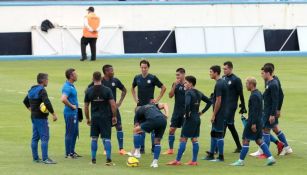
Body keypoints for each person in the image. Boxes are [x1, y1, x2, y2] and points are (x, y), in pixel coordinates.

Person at [230, 77, 276, 166]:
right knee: (259, 140)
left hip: (253, 121)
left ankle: (240, 161)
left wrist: (253, 123)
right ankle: (270, 158)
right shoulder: (258, 93)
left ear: (251, 84)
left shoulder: (254, 95)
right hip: (259, 120)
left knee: (245, 139)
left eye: (247, 84)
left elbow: (255, 110)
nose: (246, 85)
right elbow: (258, 109)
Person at [167, 75, 212, 166]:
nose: (184, 84)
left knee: (183, 138)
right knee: (194, 139)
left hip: (190, 119)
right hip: (197, 118)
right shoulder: (199, 92)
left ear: (190, 84)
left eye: (186, 82)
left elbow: (187, 104)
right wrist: (202, 112)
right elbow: (209, 101)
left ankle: (177, 160)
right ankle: (194, 161)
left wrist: (187, 115)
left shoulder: (188, 92)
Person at [250, 63, 292, 157]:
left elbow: (277, 98)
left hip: (270, 111)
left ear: (268, 73)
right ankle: (286, 147)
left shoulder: (274, 83)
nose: (261, 75)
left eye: (263, 73)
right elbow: (268, 95)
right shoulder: (268, 82)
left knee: (265, 130)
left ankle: (264, 152)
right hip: (268, 109)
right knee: (275, 128)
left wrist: (275, 111)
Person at [87, 65, 127, 155]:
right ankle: (105, 149)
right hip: (103, 110)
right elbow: (88, 90)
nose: (113, 72)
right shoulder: (99, 81)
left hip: (114, 108)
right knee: (105, 129)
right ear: (106, 72)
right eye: (111, 71)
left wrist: (120, 102)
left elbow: (124, 90)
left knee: (119, 127)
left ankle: (121, 149)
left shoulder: (115, 81)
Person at [131, 59, 166, 153]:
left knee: (153, 128)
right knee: (140, 127)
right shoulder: (137, 78)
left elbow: (163, 87)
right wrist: (135, 98)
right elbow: (132, 88)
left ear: (148, 68)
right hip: (140, 107)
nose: (143, 69)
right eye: (142, 67)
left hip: (151, 107)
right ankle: (141, 149)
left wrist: (157, 100)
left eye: (145, 67)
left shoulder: (153, 78)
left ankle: (154, 148)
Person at [23, 73, 58, 164]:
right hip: (41, 118)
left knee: (35, 138)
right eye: (47, 79)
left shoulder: (32, 89)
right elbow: (47, 102)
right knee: (45, 137)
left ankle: (35, 158)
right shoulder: (42, 90)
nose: (47, 81)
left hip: (34, 117)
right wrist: (53, 114)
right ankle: (45, 158)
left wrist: (31, 110)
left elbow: (25, 101)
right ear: (43, 80)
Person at [84, 71, 117, 165]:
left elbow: (86, 106)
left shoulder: (89, 90)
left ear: (93, 78)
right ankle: (108, 160)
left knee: (94, 138)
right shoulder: (107, 90)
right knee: (107, 138)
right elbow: (113, 105)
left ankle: (93, 160)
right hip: (105, 118)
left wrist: (87, 118)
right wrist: (114, 116)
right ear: (101, 78)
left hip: (94, 118)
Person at [203, 65, 228, 162]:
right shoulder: (222, 82)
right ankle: (211, 154)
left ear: (216, 73)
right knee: (213, 133)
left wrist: (214, 114)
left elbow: (218, 100)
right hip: (221, 111)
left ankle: (221, 157)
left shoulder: (219, 84)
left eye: (211, 72)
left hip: (220, 113)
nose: (210, 73)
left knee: (218, 134)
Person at [222, 61, 246, 153]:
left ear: (231, 69)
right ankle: (239, 146)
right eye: (223, 69)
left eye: (225, 69)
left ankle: (216, 148)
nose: (224, 70)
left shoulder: (236, 79)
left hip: (231, 106)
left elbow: (241, 93)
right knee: (230, 125)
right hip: (224, 105)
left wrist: (243, 105)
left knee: (224, 124)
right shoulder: (223, 78)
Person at [163, 68, 186, 155]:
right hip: (176, 111)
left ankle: (181, 149)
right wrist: (174, 86)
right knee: (171, 130)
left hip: (185, 112)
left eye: (178, 75)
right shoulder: (175, 84)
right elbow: (170, 96)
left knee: (184, 132)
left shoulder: (187, 84)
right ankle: (170, 149)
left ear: (183, 74)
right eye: (176, 75)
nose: (177, 77)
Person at [61, 68, 80, 159]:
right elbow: (63, 99)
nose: (77, 75)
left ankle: (72, 151)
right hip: (70, 113)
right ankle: (68, 153)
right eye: (75, 74)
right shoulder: (67, 87)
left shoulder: (71, 85)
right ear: (71, 76)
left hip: (74, 113)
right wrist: (72, 106)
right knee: (70, 132)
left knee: (75, 132)